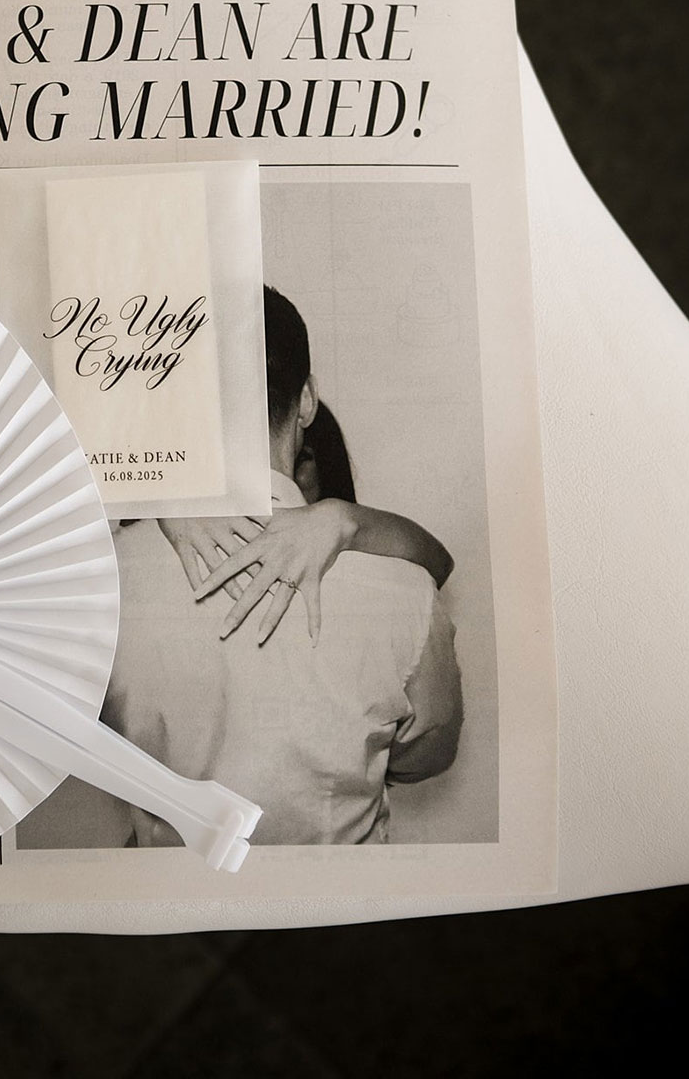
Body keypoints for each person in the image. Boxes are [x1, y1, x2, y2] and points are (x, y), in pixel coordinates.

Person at [103, 285, 463, 846]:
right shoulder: (404, 589)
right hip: (341, 922)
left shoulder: (100, 582)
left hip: (172, 918)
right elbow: (427, 753)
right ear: (306, 401)